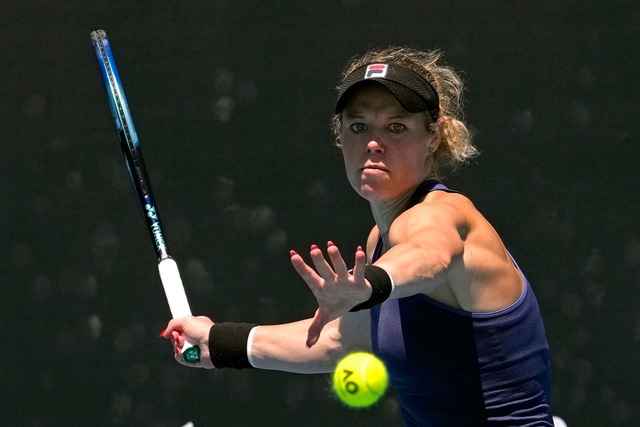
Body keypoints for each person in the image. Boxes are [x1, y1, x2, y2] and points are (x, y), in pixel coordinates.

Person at [161, 46, 554, 426]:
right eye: (358, 126)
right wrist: (221, 342)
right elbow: (340, 341)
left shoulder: (442, 214)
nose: (373, 142)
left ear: (433, 136)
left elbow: (430, 256)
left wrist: (373, 285)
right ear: (341, 137)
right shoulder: (378, 239)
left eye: (396, 127)